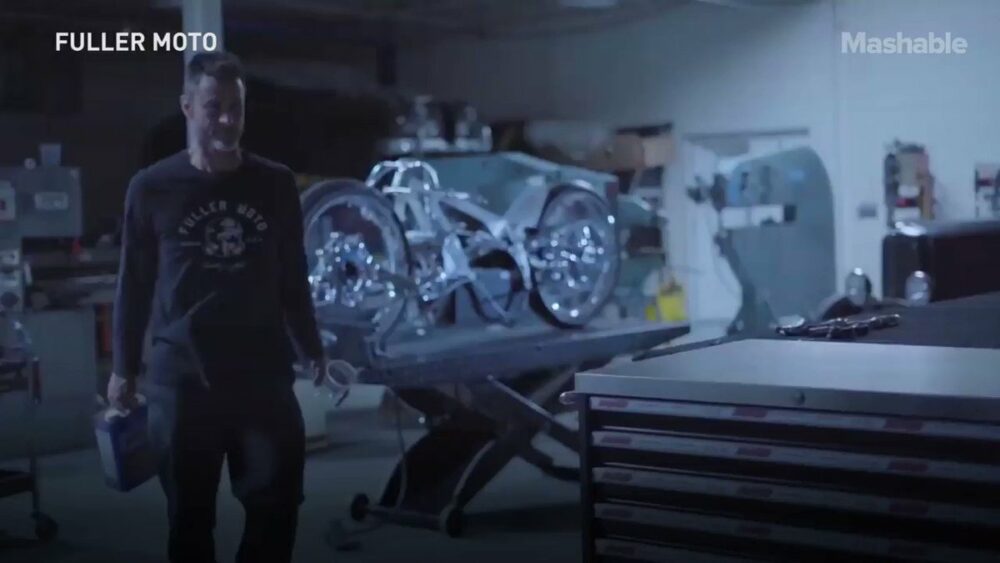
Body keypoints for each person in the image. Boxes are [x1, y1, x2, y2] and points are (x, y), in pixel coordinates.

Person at [108, 50, 340, 563]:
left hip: (263, 378)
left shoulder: (274, 183)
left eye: (236, 108)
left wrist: (312, 349)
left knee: (277, 509)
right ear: (188, 107)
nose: (228, 120)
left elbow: (292, 275)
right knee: (190, 519)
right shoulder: (151, 188)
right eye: (215, 107)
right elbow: (134, 284)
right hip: (182, 382)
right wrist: (123, 368)